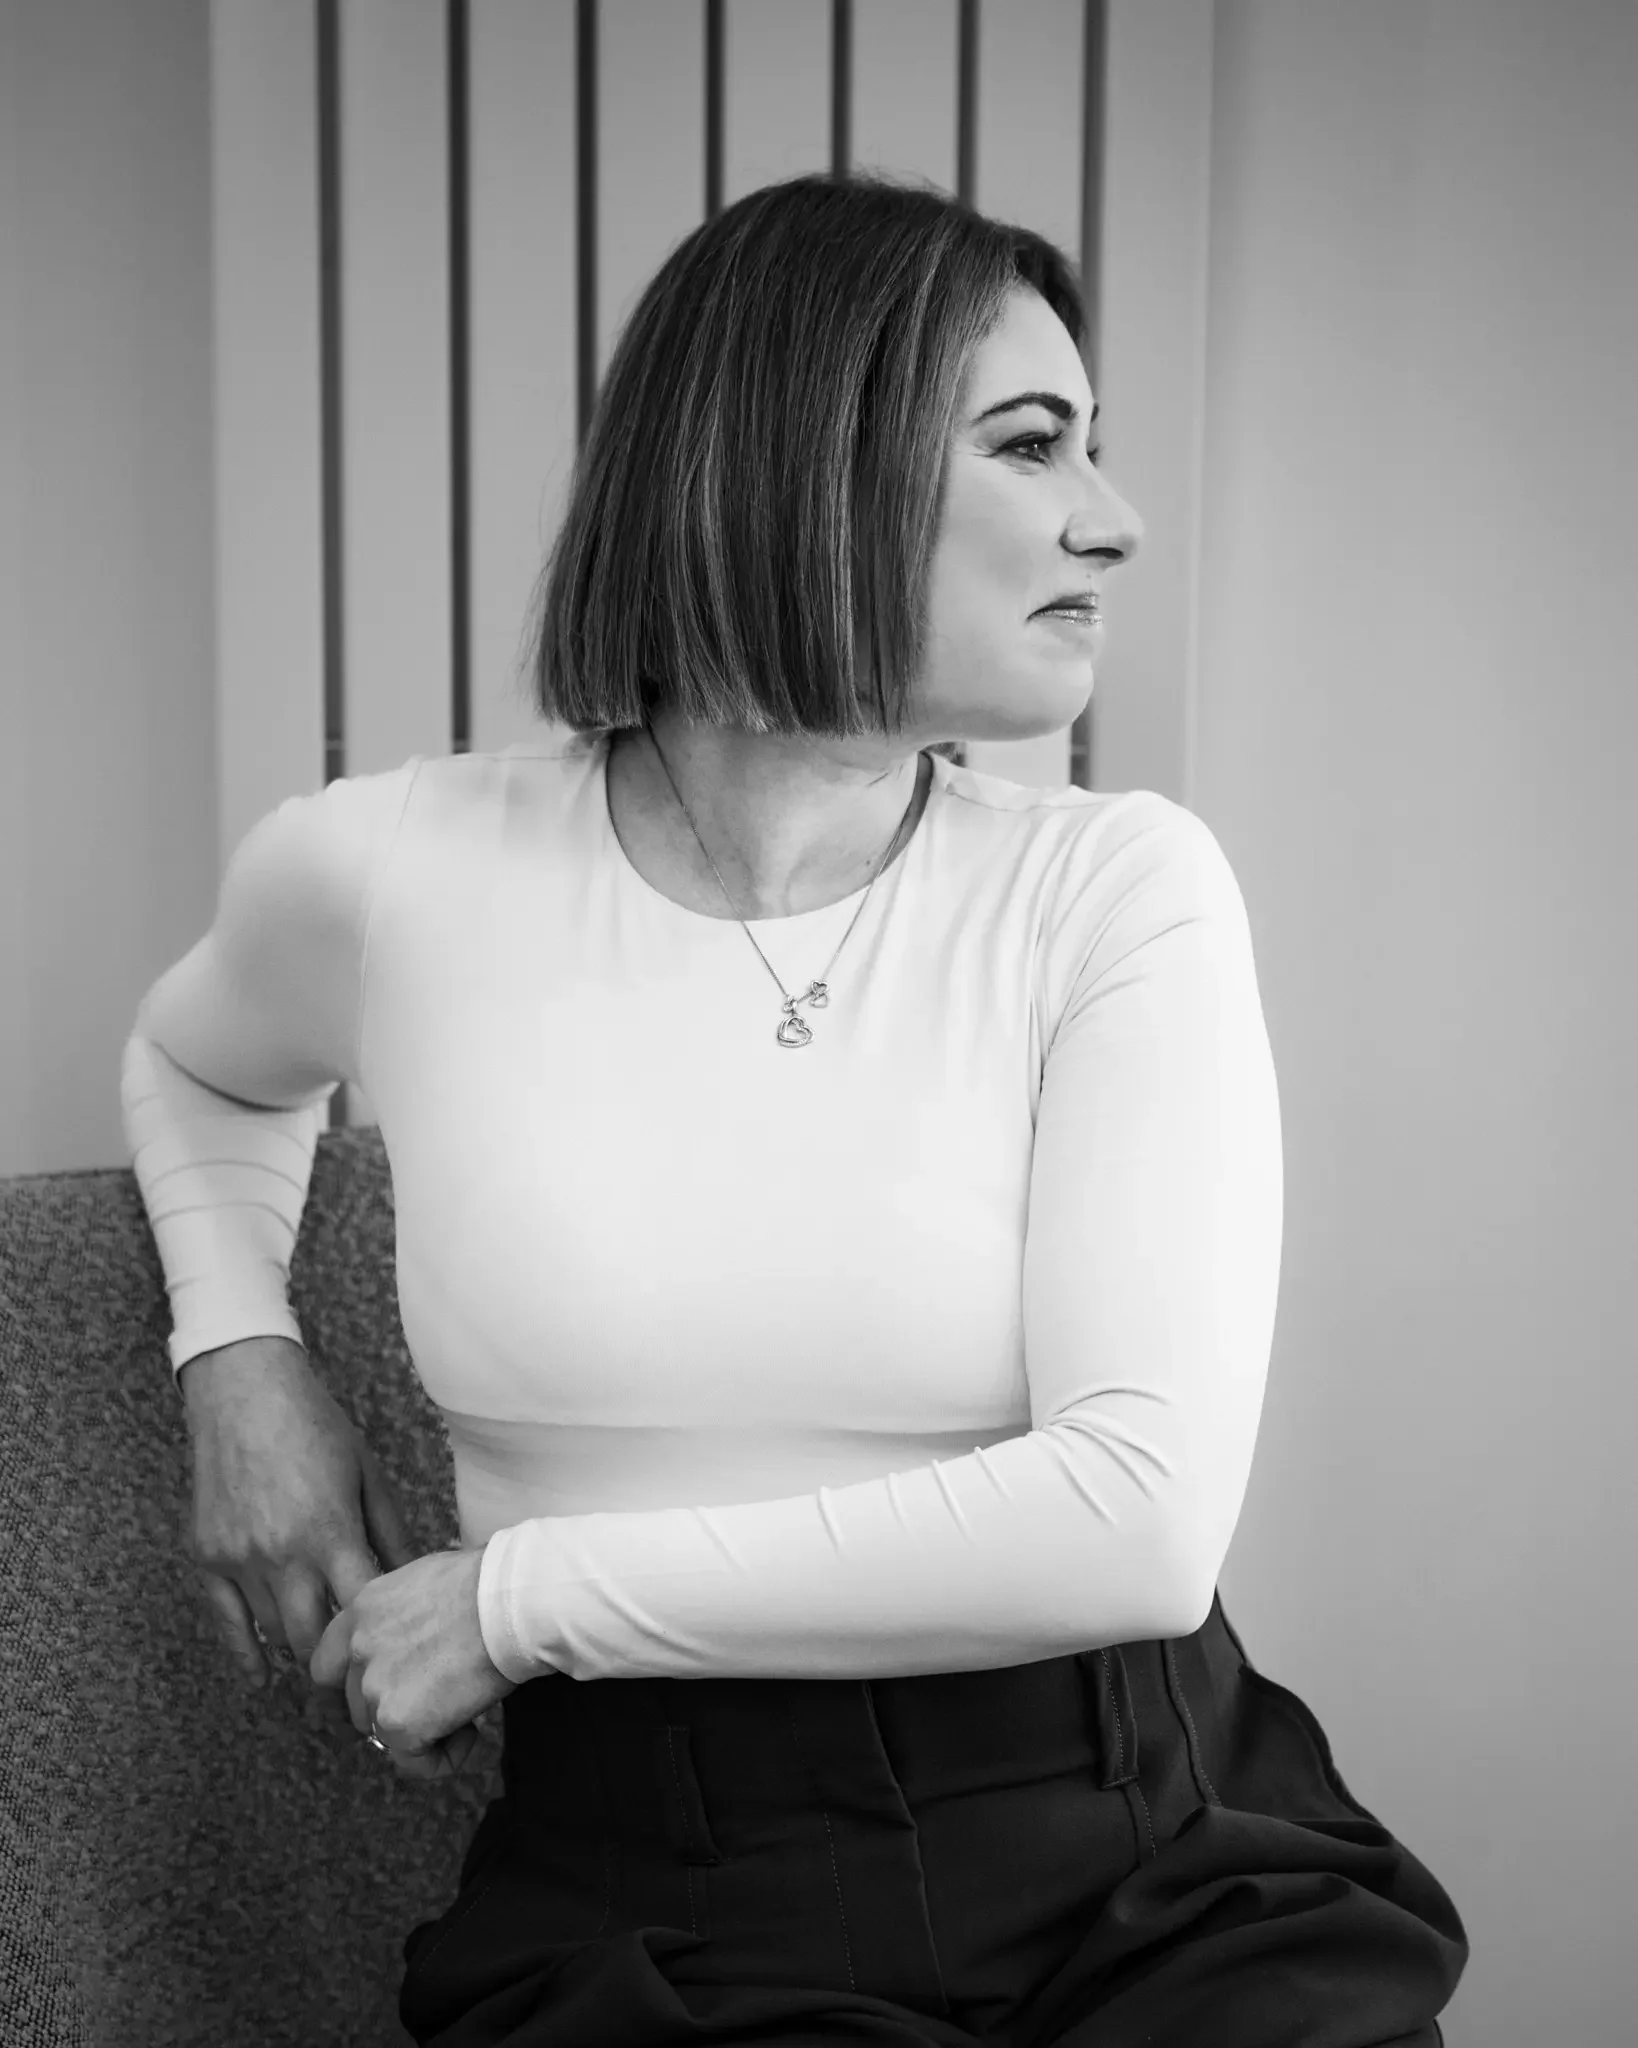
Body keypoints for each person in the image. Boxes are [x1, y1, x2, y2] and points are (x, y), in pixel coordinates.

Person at [120, 171, 1468, 2046]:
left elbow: (1137, 1523)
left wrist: (515, 1601)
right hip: (655, 1893)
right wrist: (236, 1352)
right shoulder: (385, 871)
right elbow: (196, 1062)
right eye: (1031, 445)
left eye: (1095, 447)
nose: (1113, 516)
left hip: (1138, 1846)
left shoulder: (1115, 887)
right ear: (803, 467)